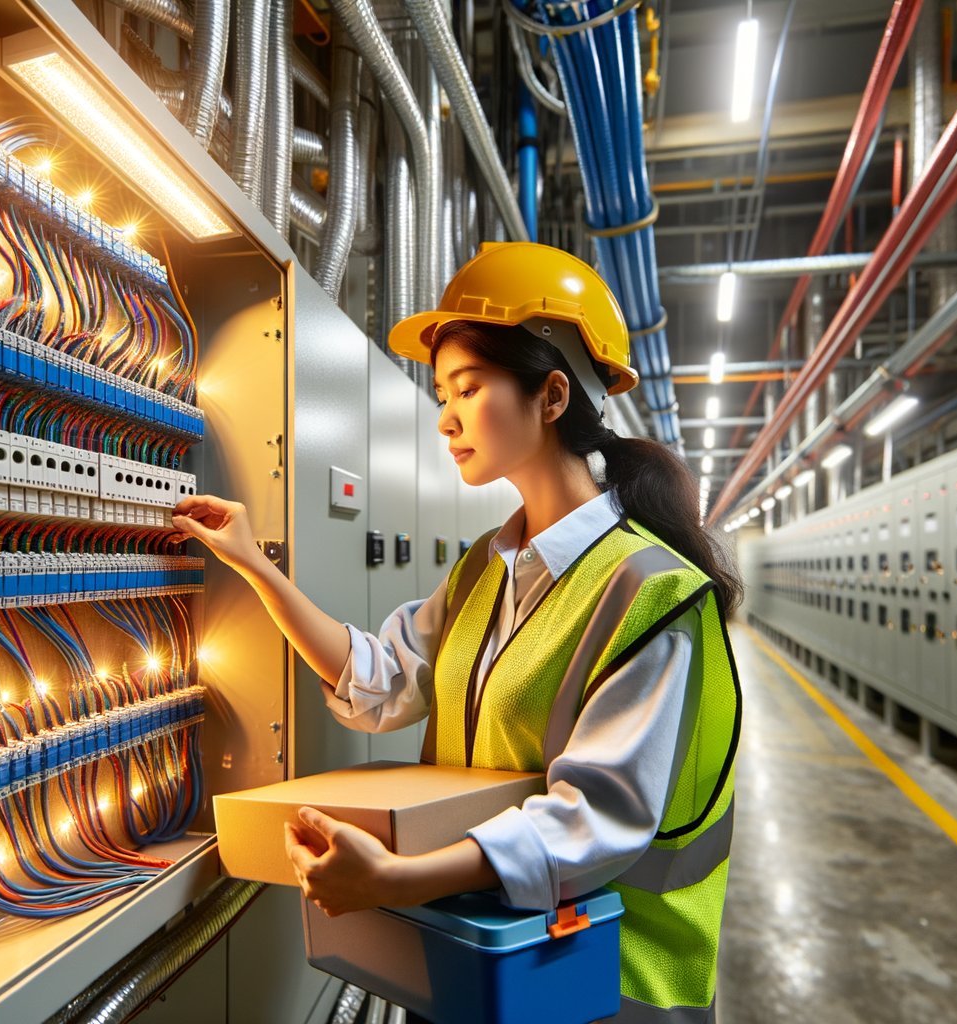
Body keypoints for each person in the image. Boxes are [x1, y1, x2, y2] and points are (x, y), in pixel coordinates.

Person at [171, 242, 742, 1022]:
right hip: (487, 962)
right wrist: (255, 568)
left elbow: (596, 818)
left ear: (550, 396)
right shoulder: (487, 568)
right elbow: (381, 680)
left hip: (605, 983)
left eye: (467, 389)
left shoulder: (654, 592)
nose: (444, 418)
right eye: (442, 392)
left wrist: (398, 880)